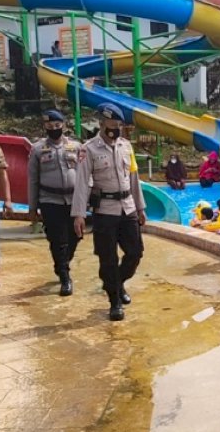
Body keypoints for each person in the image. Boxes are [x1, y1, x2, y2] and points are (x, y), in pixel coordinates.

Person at [72, 103, 146, 321]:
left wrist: (141, 207)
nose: (115, 129)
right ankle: (114, 301)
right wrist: (78, 214)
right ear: (102, 123)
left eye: (119, 125)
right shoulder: (89, 149)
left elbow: (134, 178)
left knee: (135, 253)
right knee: (108, 258)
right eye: (112, 125)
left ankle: (116, 282)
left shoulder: (126, 147)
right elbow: (82, 184)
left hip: (128, 208)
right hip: (105, 210)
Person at [28, 109, 82, 296]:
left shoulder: (76, 147)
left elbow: (84, 175)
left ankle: (62, 263)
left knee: (76, 235)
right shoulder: (37, 149)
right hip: (50, 200)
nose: (54, 129)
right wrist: (33, 207)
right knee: (57, 239)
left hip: (74, 199)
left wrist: (88, 197)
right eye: (50, 127)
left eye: (57, 126)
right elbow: (33, 179)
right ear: (45, 127)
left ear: (64, 126)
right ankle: (65, 277)